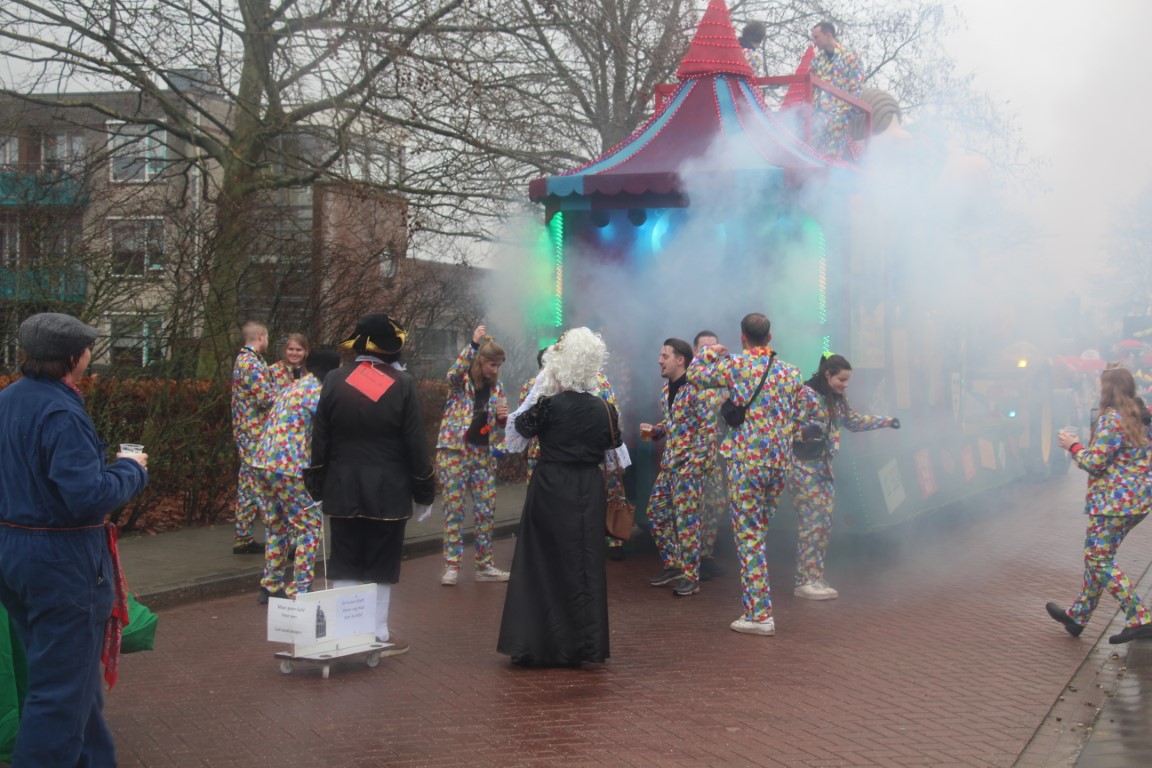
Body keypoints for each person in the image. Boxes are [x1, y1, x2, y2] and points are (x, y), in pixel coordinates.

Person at [0, 312, 149, 766]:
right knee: (60, 695)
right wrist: (131, 470)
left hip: (14, 552)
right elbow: (88, 496)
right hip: (61, 561)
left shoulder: (9, 399)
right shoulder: (61, 412)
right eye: (87, 350)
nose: (89, 356)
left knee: (72, 683)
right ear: (73, 358)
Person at [309, 313, 435, 655]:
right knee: (381, 560)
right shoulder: (403, 383)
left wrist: (317, 486)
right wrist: (424, 490)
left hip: (341, 486)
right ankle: (378, 632)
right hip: (388, 489)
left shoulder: (333, 379)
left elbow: (320, 439)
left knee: (345, 557)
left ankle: (346, 632)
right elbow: (415, 444)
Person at [497, 328, 622, 667]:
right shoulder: (605, 408)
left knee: (541, 562)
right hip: (588, 488)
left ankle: (536, 643)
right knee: (583, 563)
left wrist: (543, 389)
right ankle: (583, 646)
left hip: (551, 484)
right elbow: (614, 445)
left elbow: (518, 431)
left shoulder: (548, 406)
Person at [688, 313, 804, 636]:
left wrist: (710, 351)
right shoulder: (791, 372)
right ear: (770, 337)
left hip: (746, 462)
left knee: (748, 537)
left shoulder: (735, 365)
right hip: (779, 463)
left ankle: (759, 614)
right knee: (756, 534)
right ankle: (758, 607)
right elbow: (797, 411)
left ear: (742, 338)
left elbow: (695, 375)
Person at [1048, 365, 1152, 644]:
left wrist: (1073, 445)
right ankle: (1077, 616)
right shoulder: (1143, 417)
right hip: (1137, 501)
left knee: (1098, 559)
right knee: (1097, 556)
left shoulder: (1112, 420)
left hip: (1112, 503)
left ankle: (1139, 618)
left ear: (1107, 390)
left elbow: (1094, 463)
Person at [790, 354, 899, 600]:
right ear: (828, 374)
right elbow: (783, 427)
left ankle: (813, 576)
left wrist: (886, 421)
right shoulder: (805, 395)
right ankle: (804, 581)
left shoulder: (836, 398)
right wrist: (803, 433)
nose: (845, 384)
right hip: (803, 467)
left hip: (824, 468)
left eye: (847, 380)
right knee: (812, 523)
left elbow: (854, 421)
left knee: (823, 524)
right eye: (841, 379)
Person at [251, 349, 342, 604]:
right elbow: (330, 430)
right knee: (309, 527)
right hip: (289, 465)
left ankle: (270, 586)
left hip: (262, 463)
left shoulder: (292, 387)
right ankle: (300, 589)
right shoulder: (319, 391)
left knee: (277, 525)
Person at [640, 338, 719, 597]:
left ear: (680, 360)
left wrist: (694, 466)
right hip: (670, 465)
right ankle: (674, 565)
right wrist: (656, 430)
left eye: (665, 356)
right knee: (655, 513)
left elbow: (709, 431)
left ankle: (691, 577)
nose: (659, 361)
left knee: (687, 522)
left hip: (690, 467)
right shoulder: (667, 389)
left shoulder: (699, 388)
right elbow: (675, 421)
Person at [437, 324, 510, 586]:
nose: (495, 370)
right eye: (492, 364)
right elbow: (453, 373)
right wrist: (473, 345)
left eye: (498, 365)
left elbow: (498, 426)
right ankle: (452, 566)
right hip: (455, 452)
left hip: (482, 454)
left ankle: (484, 566)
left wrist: (501, 420)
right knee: (454, 510)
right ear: (480, 361)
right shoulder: (461, 383)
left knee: (485, 510)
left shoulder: (497, 389)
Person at [231, 321, 279, 554]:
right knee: (258, 485)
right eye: (266, 337)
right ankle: (272, 537)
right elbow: (265, 398)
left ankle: (244, 537)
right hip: (253, 434)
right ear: (260, 336)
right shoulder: (250, 363)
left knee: (248, 486)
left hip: (250, 432)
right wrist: (287, 396)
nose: (267, 341)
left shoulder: (250, 361)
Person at [694, 329, 728, 581]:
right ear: (696, 351)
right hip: (691, 454)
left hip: (714, 455)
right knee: (691, 506)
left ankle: (705, 554)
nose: (710, 352)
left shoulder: (725, 379)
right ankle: (688, 559)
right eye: (705, 348)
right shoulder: (689, 379)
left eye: (714, 347)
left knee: (716, 503)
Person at [809, 21, 864, 158]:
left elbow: (856, 87)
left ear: (828, 35)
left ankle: (833, 166)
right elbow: (810, 84)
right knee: (812, 152)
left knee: (832, 155)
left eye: (816, 37)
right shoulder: (817, 59)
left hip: (839, 114)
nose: (814, 42)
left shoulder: (850, 55)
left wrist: (846, 112)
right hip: (818, 113)